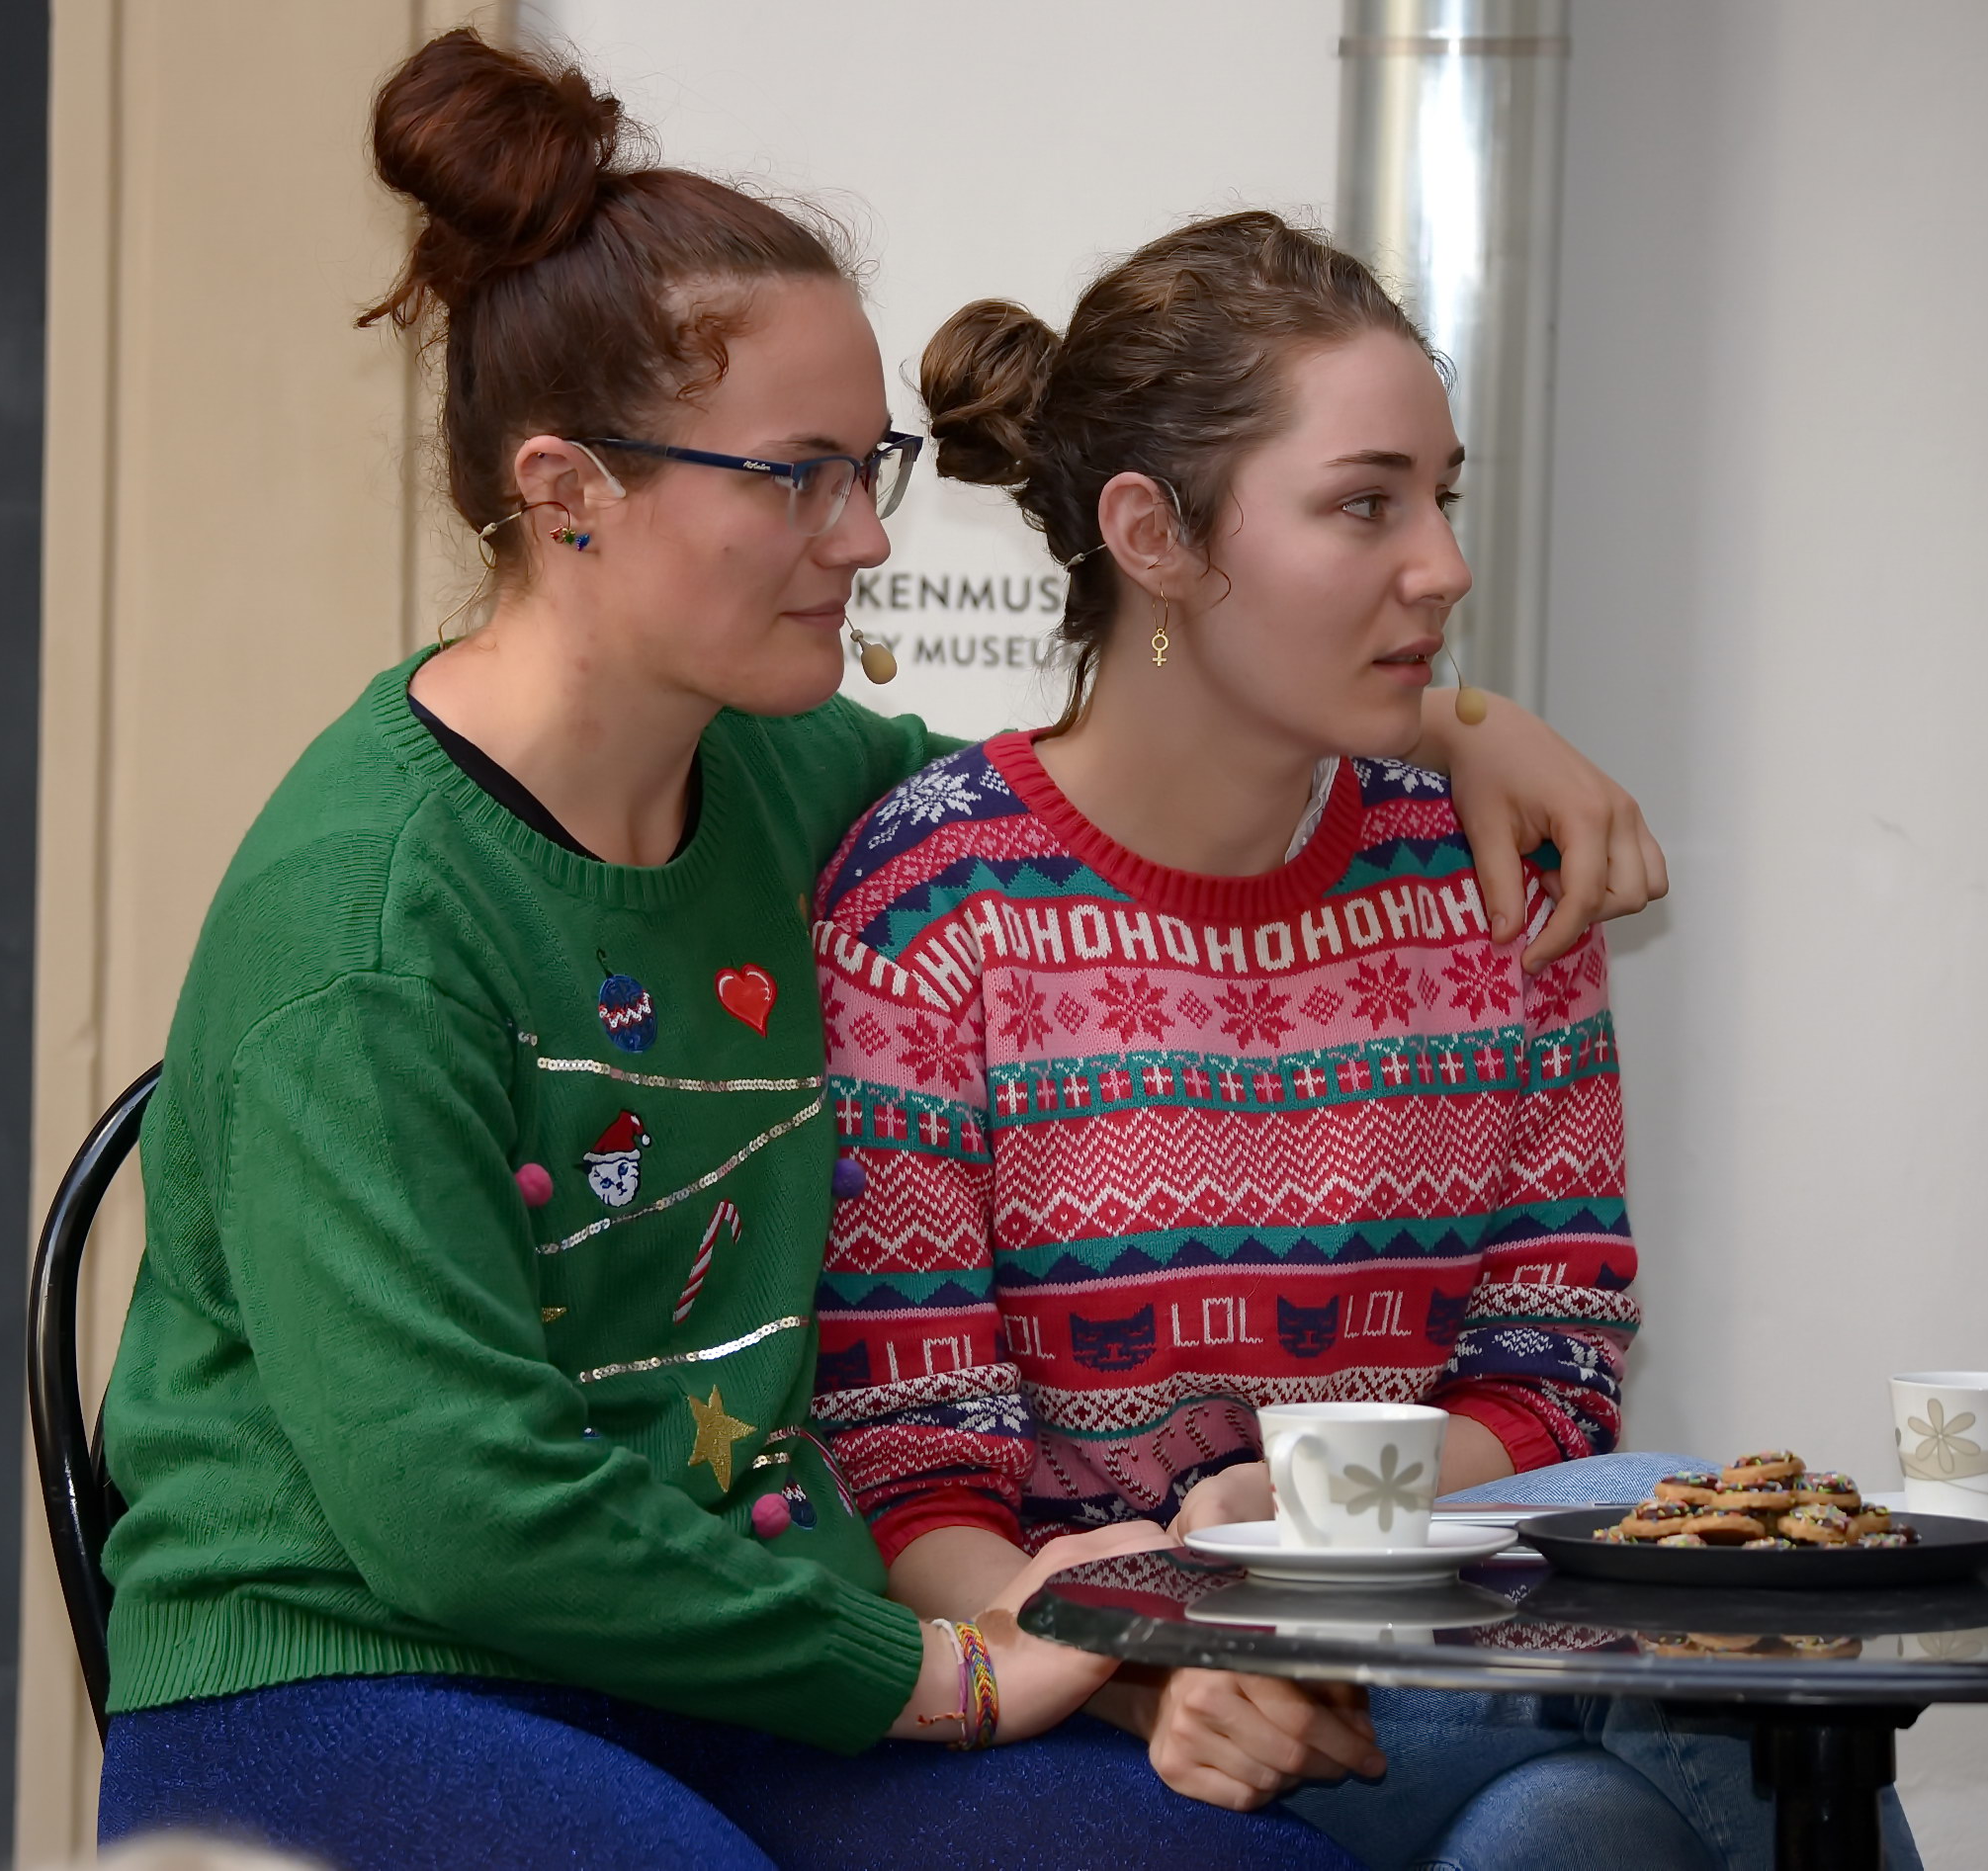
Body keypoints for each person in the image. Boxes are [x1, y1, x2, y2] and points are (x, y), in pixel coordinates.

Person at [92, 33, 1665, 1871]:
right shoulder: (364, 924)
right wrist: (947, 1669)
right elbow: (458, 1509)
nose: (863, 538)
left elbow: (1110, 795)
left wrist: (1463, 724)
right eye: (796, 478)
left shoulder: (787, 775)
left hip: (732, 1664)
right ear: (568, 487)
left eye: (872, 469)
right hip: (357, 1671)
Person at [812, 212, 1914, 1869]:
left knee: (1563, 1832)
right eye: (1365, 502)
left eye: (1443, 496)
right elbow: (916, 1472)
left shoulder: (1491, 877)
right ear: (1153, 534)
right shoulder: (931, 906)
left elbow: (1553, 1370)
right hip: (1110, 1677)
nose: (1445, 564)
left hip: (1443, 1642)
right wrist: (1152, 1663)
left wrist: (1319, 1499)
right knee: (1697, 1567)